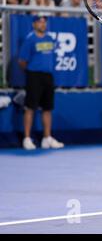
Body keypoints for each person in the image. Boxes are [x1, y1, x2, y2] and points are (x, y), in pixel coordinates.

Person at [18, 15, 64, 150]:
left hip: (48, 77)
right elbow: (22, 61)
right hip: (34, 77)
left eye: (44, 22)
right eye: (40, 22)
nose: (43, 24)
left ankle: (47, 138)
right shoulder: (30, 40)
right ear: (34, 24)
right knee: (30, 107)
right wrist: (32, 71)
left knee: (48, 108)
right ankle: (26, 139)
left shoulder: (50, 38)